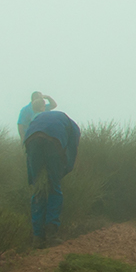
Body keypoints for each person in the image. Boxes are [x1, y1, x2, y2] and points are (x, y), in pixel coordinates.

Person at [23, 105, 81, 248]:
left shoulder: (40, 118)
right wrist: (62, 172)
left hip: (31, 139)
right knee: (54, 188)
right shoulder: (74, 128)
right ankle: (51, 234)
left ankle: (37, 237)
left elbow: (28, 156)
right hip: (52, 141)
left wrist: (32, 178)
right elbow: (72, 152)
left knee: (38, 190)